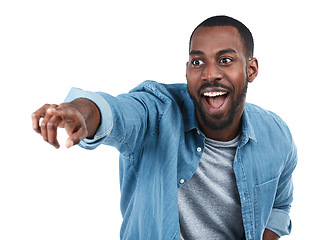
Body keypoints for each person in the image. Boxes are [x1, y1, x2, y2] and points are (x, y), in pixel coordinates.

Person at [32, 15, 297, 240]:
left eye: (225, 60)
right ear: (186, 71)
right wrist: (81, 112)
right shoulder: (158, 113)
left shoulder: (276, 134)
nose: (210, 73)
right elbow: (120, 112)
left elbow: (279, 206)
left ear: (251, 69)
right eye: (197, 61)